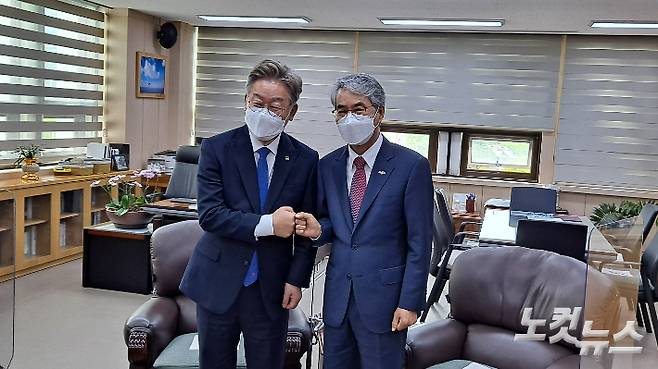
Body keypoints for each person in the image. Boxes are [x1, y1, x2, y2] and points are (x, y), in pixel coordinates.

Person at [180, 59, 318, 369]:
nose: (264, 112)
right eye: (258, 103)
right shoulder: (216, 148)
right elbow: (211, 215)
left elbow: (308, 231)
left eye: (276, 106)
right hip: (218, 280)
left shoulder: (306, 159)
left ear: (292, 112)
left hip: (271, 286)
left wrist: (297, 280)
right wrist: (270, 224)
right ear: (246, 101)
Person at [295, 73, 433, 369]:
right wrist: (320, 230)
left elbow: (420, 242)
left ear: (378, 113)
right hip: (338, 296)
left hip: (385, 298)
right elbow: (330, 223)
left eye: (358, 109)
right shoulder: (327, 166)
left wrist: (410, 301)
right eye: (341, 110)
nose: (349, 118)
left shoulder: (411, 166)